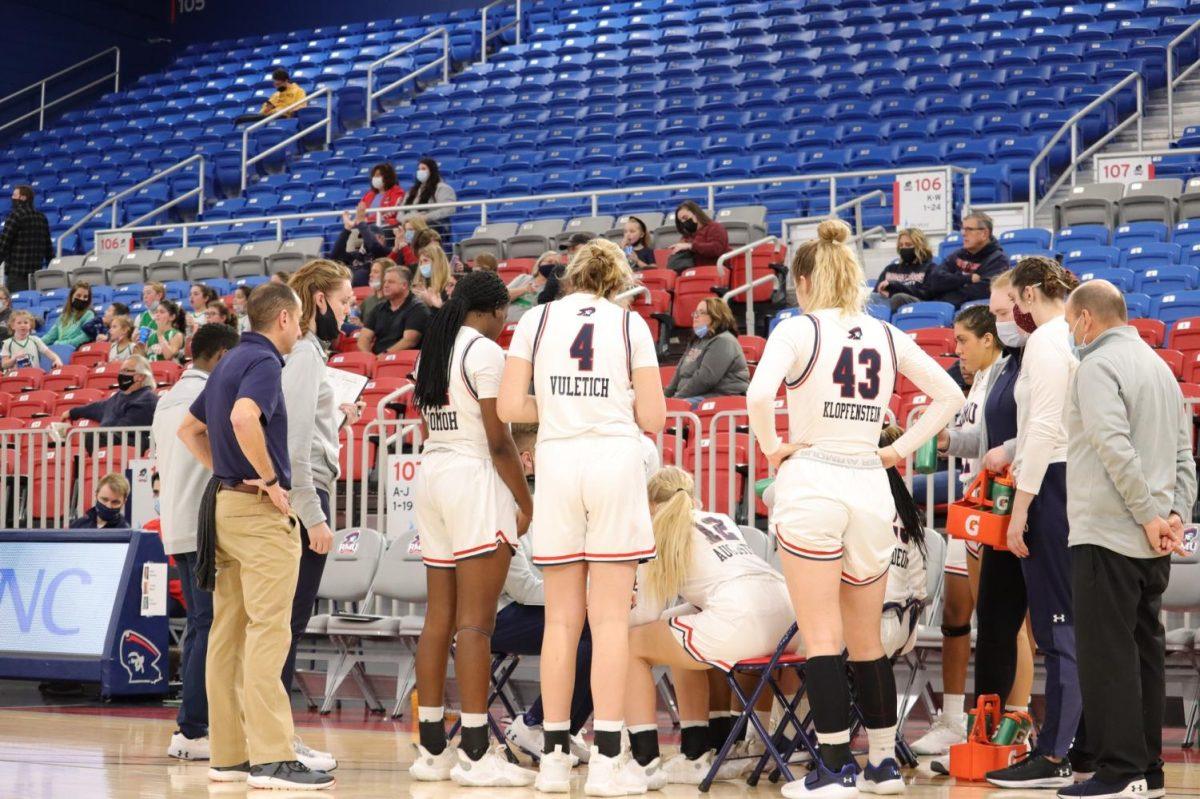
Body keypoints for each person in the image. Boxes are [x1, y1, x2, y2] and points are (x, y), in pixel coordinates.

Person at [745, 219, 963, 797]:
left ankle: (834, 767)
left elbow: (759, 394)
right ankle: (884, 763)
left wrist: (772, 450)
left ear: (805, 278)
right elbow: (951, 395)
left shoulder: (796, 330)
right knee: (866, 636)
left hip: (813, 477)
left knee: (821, 634)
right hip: (869, 483)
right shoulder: (885, 333)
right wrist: (897, 449)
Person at [499, 237, 665, 794]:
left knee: (562, 621)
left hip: (559, 460)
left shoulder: (537, 319)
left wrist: (559, 405)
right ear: (616, 280)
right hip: (613, 459)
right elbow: (655, 415)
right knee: (612, 621)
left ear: (571, 276)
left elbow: (508, 407)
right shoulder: (628, 324)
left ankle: (551, 759)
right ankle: (607, 762)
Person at [176, 283, 334, 791]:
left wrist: (227, 471)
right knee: (270, 632)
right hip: (257, 514)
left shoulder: (225, 362)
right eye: (299, 320)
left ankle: (229, 756)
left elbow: (189, 430)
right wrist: (265, 479)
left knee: (226, 634)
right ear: (285, 318)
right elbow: (246, 417)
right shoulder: (266, 363)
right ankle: (271, 758)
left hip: (222, 506)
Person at [1062, 279, 1196, 799]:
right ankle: (1148, 771)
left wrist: (1146, 516)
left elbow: (1113, 446)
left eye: (1071, 321)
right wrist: (1173, 515)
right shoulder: (1160, 368)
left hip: (1109, 531)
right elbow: (1185, 455)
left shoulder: (1097, 366)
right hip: (1153, 537)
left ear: (1087, 320)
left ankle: (1119, 772)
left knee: (1106, 655)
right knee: (1145, 654)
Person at [406, 269, 536, 786]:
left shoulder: (434, 348)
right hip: (471, 475)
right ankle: (478, 753)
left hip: (432, 472)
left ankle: (432, 749)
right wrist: (526, 502)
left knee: (439, 617)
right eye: (505, 313)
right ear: (495, 309)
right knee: (476, 624)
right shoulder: (484, 352)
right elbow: (500, 440)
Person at [925, 270, 1038, 773]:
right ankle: (968, 723)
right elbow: (976, 442)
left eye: (966, 340)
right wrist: (947, 442)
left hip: (1009, 504)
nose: (958, 351)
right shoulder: (984, 381)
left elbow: (1038, 433)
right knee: (978, 619)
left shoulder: (1023, 368)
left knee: (1008, 624)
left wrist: (997, 455)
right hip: (976, 506)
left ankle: (1018, 720)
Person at [624, 466, 797, 787]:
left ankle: (654, 759)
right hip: (785, 615)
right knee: (678, 631)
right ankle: (723, 745)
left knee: (634, 644)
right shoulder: (719, 519)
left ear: (648, 504)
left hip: (741, 617)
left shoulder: (657, 530)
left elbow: (644, 615)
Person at [982, 255, 1083, 790]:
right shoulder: (1069, 335)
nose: (1013, 315)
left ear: (1029, 295)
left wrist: (1020, 509)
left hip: (1052, 488)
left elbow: (1047, 428)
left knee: (1057, 626)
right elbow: (1060, 421)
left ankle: (1053, 754)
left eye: (1016, 302)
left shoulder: (1047, 339)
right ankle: (1072, 745)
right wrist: (1011, 447)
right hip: (1064, 475)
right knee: (1064, 624)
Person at [279, 260, 359, 774]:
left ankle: (270, 734)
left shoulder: (305, 355)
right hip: (307, 497)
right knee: (287, 623)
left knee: (282, 623)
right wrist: (313, 516)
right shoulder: (306, 354)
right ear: (322, 300)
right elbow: (295, 443)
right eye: (347, 302)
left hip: (301, 491)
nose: (351, 313)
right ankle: (278, 739)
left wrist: (337, 417)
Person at [154, 323, 240, 763]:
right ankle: (193, 727)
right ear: (222, 354)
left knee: (201, 626)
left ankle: (197, 724)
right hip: (207, 525)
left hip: (177, 524)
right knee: (209, 627)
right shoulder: (214, 395)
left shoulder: (165, 399)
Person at [498, 423, 594, 764]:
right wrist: (577, 598)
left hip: (530, 607)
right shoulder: (501, 502)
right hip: (493, 617)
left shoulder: (541, 502)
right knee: (588, 626)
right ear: (527, 460)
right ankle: (535, 724)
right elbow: (522, 588)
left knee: (605, 628)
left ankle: (562, 730)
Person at [664, 298, 749, 402]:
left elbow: (705, 379)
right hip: (693, 396)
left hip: (719, 398)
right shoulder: (697, 340)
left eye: (702, 313)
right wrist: (665, 397)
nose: (696, 316)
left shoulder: (724, 341)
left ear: (717, 317)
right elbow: (679, 373)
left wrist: (676, 399)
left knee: (672, 411)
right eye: (695, 312)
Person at [923, 212, 1009, 308]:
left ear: (985, 234)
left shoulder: (998, 260)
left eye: (969, 229)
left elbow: (984, 290)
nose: (963, 234)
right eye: (963, 229)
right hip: (947, 305)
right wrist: (967, 279)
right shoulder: (957, 255)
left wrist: (948, 292)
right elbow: (935, 280)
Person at [64, 355, 158, 427]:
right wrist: (71, 412)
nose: (121, 374)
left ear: (141, 376)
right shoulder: (119, 396)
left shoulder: (147, 399)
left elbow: (123, 432)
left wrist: (93, 437)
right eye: (121, 371)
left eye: (126, 371)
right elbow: (97, 408)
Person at [356, 265, 431, 354]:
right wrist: (368, 357)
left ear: (404, 285)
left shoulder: (418, 308)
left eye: (391, 282)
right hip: (378, 360)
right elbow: (364, 338)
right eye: (385, 282)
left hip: (403, 361)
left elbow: (410, 341)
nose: (385, 285)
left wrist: (384, 356)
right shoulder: (378, 308)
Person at [0, 185, 53, 291]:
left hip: (17, 274)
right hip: (37, 274)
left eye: (15, 195)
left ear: (23, 198)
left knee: (17, 304)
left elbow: (3, 245)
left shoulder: (15, 216)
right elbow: (48, 248)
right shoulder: (41, 217)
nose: (12, 198)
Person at [873, 228, 936, 311]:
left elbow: (927, 295)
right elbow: (877, 294)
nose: (904, 248)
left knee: (899, 298)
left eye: (908, 245)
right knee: (871, 297)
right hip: (888, 304)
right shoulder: (890, 269)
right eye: (901, 245)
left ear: (920, 246)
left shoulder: (930, 268)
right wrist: (882, 292)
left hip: (916, 307)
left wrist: (895, 285)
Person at [400, 157, 456, 240]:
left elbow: (448, 209)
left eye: (423, 169)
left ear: (432, 171)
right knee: (388, 231)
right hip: (409, 223)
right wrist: (408, 220)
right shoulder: (411, 191)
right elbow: (400, 212)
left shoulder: (442, 188)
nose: (420, 171)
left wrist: (425, 217)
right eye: (419, 169)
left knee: (419, 229)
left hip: (432, 223)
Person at [668, 201, 729, 272]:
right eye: (681, 221)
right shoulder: (687, 235)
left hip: (713, 271)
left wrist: (690, 246)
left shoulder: (715, 227)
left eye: (685, 218)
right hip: (692, 273)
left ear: (695, 214)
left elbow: (716, 249)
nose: (684, 222)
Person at [236, 68, 306, 124]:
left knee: (244, 119)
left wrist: (285, 110)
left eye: (279, 84)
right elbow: (264, 111)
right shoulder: (276, 94)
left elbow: (301, 106)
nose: (276, 87)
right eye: (275, 84)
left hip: (283, 116)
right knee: (241, 118)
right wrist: (267, 108)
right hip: (270, 115)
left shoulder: (298, 91)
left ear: (286, 81)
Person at [42, 281, 95, 348]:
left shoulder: (89, 315)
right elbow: (49, 337)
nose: (82, 299)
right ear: (71, 296)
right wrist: (35, 343)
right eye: (78, 295)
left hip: (75, 352)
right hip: (60, 350)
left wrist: (61, 344)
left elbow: (85, 337)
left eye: (85, 297)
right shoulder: (63, 317)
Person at [357, 162, 405, 229]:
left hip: (386, 225)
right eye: (374, 176)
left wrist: (370, 220)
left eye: (378, 176)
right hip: (368, 226)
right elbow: (360, 209)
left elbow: (393, 211)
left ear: (387, 177)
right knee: (353, 232)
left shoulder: (397, 191)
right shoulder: (369, 194)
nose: (375, 178)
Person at [414, 242, 453, 309]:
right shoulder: (420, 284)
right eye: (420, 262)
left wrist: (431, 303)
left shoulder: (449, 287)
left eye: (425, 261)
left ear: (437, 262)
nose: (422, 265)